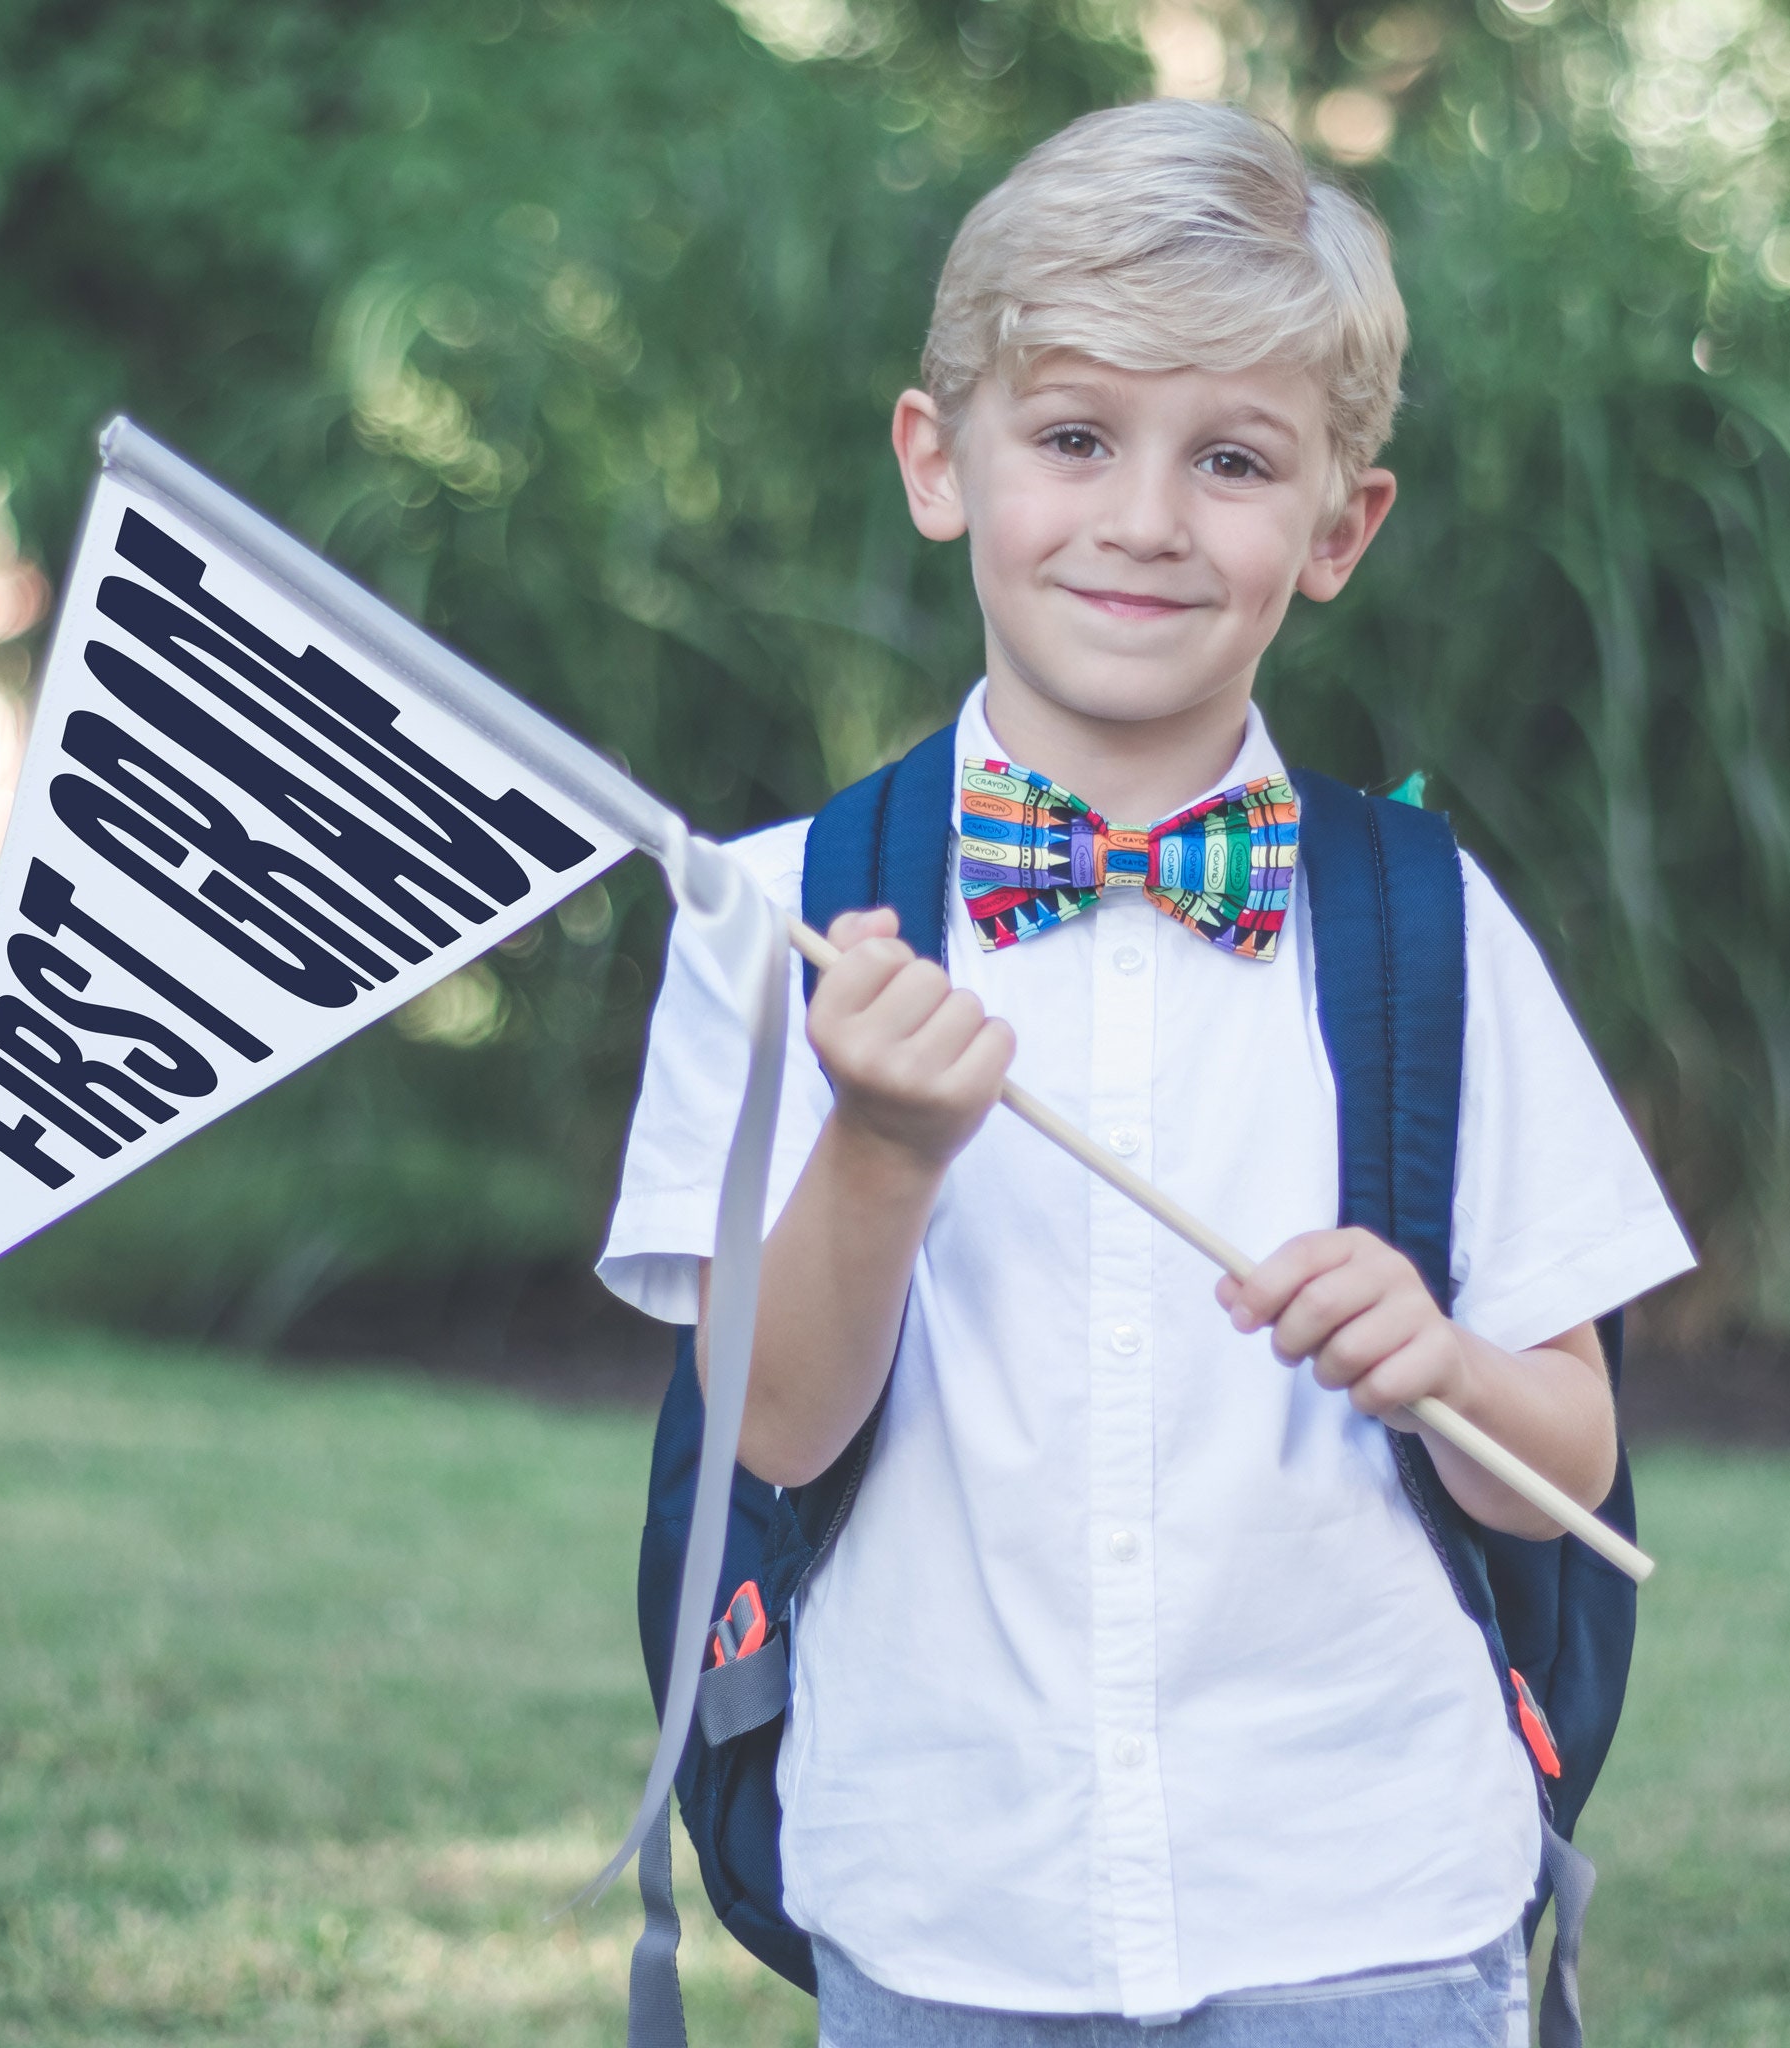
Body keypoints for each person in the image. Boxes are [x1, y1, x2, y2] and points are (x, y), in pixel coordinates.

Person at [598, 98, 1692, 2046]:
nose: (1144, 518)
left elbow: (1572, 1471)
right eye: (1076, 436)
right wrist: (877, 1148)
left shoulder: (1428, 926)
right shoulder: (767, 920)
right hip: (944, 1901)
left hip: (1363, 1898)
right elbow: (762, 1432)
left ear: (1339, 527)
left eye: (1235, 460)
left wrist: (1441, 1361)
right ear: (941, 461)